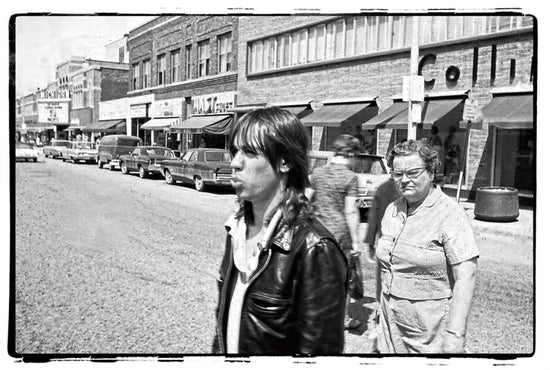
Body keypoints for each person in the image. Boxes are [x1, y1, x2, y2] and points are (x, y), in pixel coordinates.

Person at [213, 107, 348, 355]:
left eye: (250, 153)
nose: (234, 163)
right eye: (235, 151)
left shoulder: (314, 248)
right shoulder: (235, 229)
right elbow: (225, 321)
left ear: (284, 161)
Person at [375, 139, 479, 354]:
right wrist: (378, 308)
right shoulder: (392, 210)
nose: (404, 180)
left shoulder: (450, 214)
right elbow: (384, 266)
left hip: (429, 332)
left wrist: (454, 334)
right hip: (389, 325)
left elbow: (466, 277)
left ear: (431, 173)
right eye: (397, 174)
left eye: (413, 173)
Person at [309, 134, 363, 330]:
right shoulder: (350, 178)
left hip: (318, 232)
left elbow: (308, 200)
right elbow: (350, 211)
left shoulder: (317, 173)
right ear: (351, 154)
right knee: (344, 276)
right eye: (357, 156)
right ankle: (343, 319)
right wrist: (356, 241)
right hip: (341, 234)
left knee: (318, 273)